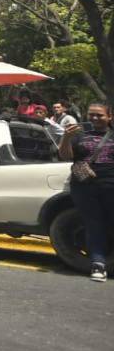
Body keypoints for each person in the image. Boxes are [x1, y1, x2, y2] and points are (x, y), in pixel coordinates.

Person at [59, 101, 114, 282]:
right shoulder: (79, 135)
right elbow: (66, 156)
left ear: (109, 117)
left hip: (110, 185)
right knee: (93, 223)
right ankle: (98, 263)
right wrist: (66, 138)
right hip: (84, 186)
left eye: (100, 115)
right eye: (91, 114)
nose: (95, 118)